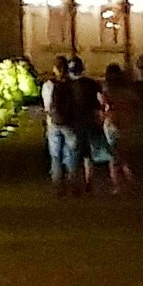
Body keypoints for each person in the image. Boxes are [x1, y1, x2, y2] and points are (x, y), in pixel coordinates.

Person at [49, 61, 104, 195]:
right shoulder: (90, 84)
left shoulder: (61, 85)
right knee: (81, 154)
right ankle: (79, 184)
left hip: (58, 123)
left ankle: (59, 186)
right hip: (79, 123)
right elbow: (99, 102)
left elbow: (52, 104)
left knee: (57, 156)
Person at [94, 59, 136, 193]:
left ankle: (118, 184)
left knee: (113, 156)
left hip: (111, 124)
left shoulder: (105, 91)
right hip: (125, 124)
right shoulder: (127, 92)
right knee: (123, 154)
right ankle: (129, 180)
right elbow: (137, 104)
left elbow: (102, 108)